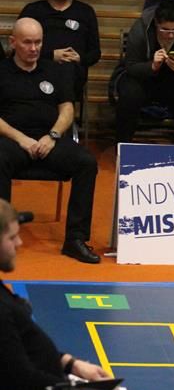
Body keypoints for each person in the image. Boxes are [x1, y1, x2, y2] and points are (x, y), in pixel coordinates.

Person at [0, 200, 170, 390]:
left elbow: (21, 350)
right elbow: (23, 383)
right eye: (12, 238)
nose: (20, 243)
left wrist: (72, 364)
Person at [0, 18, 100, 264]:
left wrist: (53, 135)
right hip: (11, 139)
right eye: (27, 42)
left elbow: (67, 109)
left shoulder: (55, 71)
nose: (34, 48)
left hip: (49, 139)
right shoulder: (2, 71)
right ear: (13, 42)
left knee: (86, 162)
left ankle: (75, 239)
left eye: (38, 42)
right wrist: (21, 139)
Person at [110, 0, 174, 145]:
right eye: (165, 30)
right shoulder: (141, 28)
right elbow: (130, 66)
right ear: (156, 23)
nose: (171, 35)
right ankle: (123, 146)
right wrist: (152, 66)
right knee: (129, 93)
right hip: (143, 79)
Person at [18, 0, 101, 108]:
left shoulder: (85, 11)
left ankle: (62, 118)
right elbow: (18, 48)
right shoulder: (33, 10)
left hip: (73, 72)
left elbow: (95, 53)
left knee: (66, 69)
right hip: (38, 67)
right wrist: (51, 55)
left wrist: (79, 58)